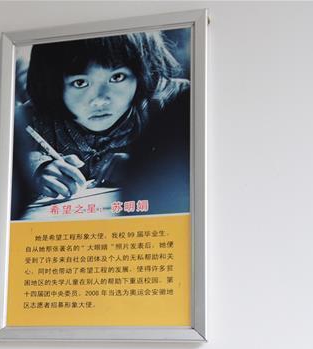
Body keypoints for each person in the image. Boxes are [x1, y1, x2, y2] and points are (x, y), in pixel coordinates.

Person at [11, 31, 191, 219]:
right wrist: (34, 168)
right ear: (52, 83)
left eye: (117, 77)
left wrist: (146, 168)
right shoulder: (28, 119)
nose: (99, 100)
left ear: (143, 71)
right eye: (80, 82)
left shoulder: (176, 102)